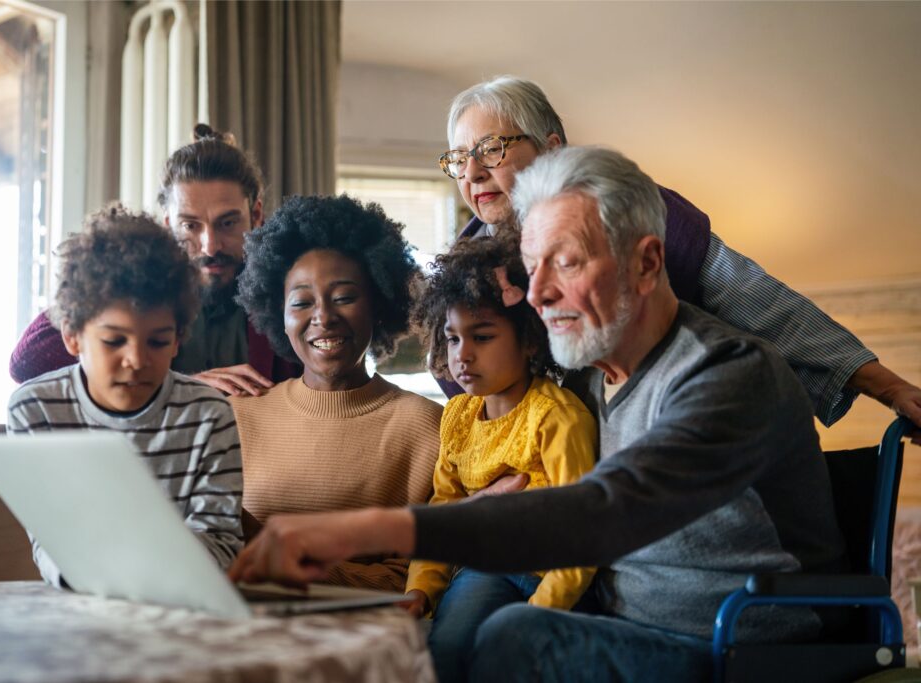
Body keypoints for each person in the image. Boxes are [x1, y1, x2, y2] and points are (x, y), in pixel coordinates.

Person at [229, 146, 850, 682]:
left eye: (568, 261)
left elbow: (610, 506)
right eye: (534, 265)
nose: (539, 293)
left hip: (745, 650)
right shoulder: (593, 379)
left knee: (511, 637)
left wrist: (365, 529)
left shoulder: (726, 373)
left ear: (648, 262)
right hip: (632, 627)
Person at [438, 76, 921, 431]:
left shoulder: (628, 208)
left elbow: (760, 301)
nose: (473, 172)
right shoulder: (466, 267)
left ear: (552, 148)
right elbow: (464, 390)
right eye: (459, 159)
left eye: (492, 148)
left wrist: (890, 387)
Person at [6, 206, 243, 587]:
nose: (136, 360)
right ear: (72, 336)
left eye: (158, 341)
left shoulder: (209, 415)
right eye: (114, 340)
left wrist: (142, 567)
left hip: (185, 603)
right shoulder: (35, 411)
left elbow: (221, 543)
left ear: (179, 339)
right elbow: (50, 544)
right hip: (82, 600)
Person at [404, 234, 597, 683]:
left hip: (558, 577)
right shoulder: (458, 416)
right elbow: (444, 510)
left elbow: (584, 533)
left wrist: (536, 615)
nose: (462, 355)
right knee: (446, 652)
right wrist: (420, 589)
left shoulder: (557, 417)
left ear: (531, 340)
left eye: (483, 337)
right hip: (486, 570)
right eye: (452, 339)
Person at [229, 194, 442, 591]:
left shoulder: (426, 428)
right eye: (302, 302)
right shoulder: (237, 416)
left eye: (344, 297)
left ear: (378, 304)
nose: (323, 318)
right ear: (279, 314)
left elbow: (420, 580)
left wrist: (302, 566)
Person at [8, 124, 300, 396]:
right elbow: (28, 363)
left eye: (227, 223)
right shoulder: (140, 285)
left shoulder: (288, 295)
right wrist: (174, 388)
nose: (210, 246)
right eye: (190, 226)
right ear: (167, 224)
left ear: (257, 215)